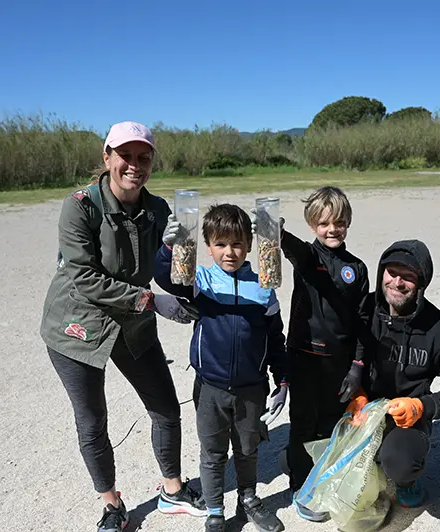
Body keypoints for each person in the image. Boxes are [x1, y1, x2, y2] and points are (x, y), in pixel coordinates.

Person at [40, 121, 206, 532]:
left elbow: (170, 277)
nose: (135, 165)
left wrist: (178, 248)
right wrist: (151, 300)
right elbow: (84, 277)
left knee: (166, 408)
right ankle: (112, 505)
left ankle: (173, 490)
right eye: (126, 156)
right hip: (77, 327)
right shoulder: (80, 206)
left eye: (144, 157)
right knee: (93, 419)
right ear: (107, 156)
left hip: (132, 324)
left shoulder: (160, 210)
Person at [154, 204, 288, 532]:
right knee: (213, 453)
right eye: (221, 244)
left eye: (238, 244)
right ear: (209, 246)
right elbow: (164, 278)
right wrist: (169, 246)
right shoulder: (200, 281)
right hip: (210, 388)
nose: (230, 252)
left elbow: (275, 339)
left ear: (251, 245)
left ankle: (249, 499)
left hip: (251, 389)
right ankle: (215, 509)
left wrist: (281, 381)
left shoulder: (264, 286)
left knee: (247, 449)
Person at [253, 186, 371, 523]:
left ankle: (315, 471)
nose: (332, 229)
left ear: (348, 223)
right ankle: (301, 487)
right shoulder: (308, 259)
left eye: (339, 222)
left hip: (340, 362)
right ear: (312, 225)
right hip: (304, 357)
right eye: (324, 223)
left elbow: (363, 321)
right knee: (303, 423)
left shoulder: (357, 268)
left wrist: (357, 367)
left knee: (332, 425)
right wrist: (276, 233)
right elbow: (296, 252)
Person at [361, 239, 440, 508]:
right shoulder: (363, 310)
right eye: (391, 273)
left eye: (408, 277)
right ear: (381, 273)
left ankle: (405, 481)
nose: (397, 283)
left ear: (421, 283)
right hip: (362, 406)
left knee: (400, 461)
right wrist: (355, 394)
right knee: (303, 453)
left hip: (405, 420)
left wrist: (421, 406)